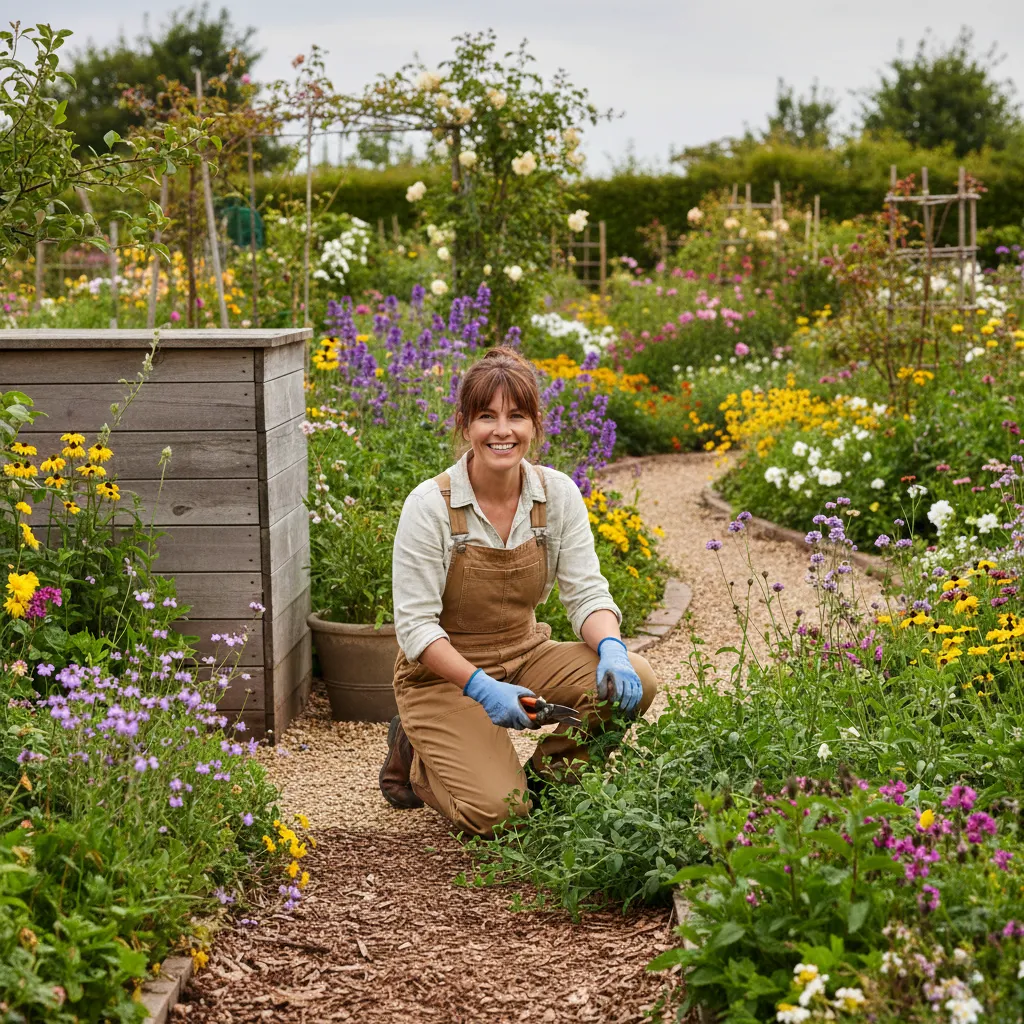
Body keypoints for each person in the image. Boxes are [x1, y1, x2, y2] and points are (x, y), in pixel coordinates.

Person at [379, 346, 659, 837]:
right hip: (443, 676)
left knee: (636, 680)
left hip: (525, 651)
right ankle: (418, 752)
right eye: (487, 416)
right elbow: (417, 629)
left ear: (535, 425)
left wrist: (612, 648)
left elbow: (587, 592)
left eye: (516, 416)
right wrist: (481, 688)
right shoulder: (429, 506)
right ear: (465, 425)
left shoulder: (557, 495)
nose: (502, 431)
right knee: (499, 815)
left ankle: (551, 785)